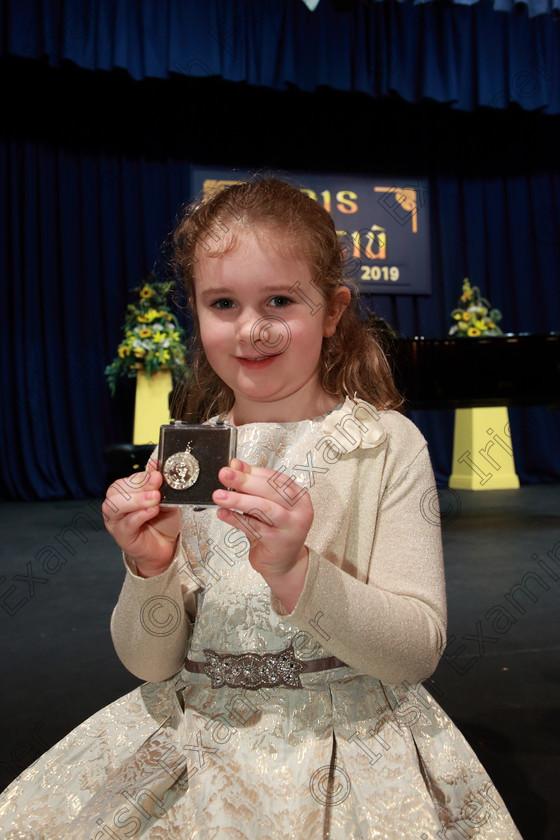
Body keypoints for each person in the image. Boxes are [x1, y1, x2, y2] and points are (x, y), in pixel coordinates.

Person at [0, 179, 522, 839]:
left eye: (280, 299)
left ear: (332, 310)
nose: (251, 328)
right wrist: (148, 565)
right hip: (194, 743)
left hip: (344, 748)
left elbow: (415, 652)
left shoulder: (384, 446)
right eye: (223, 303)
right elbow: (149, 663)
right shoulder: (192, 454)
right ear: (195, 308)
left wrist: (296, 571)